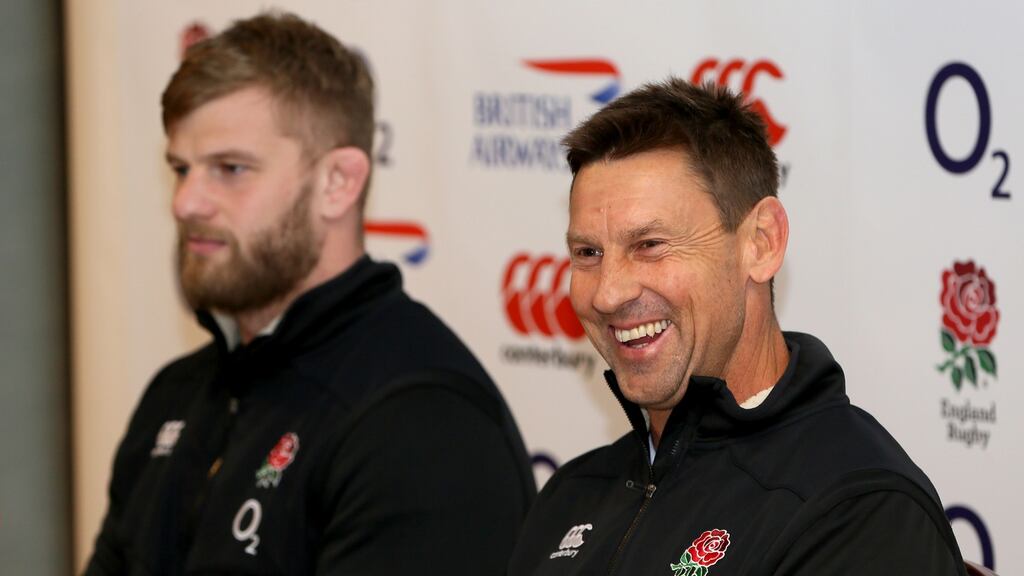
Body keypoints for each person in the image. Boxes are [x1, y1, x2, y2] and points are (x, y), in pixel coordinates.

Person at [84, 12, 535, 575]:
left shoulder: (422, 422)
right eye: (180, 168)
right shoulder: (177, 394)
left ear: (338, 183)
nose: (186, 202)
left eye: (230, 168)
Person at [507, 79, 966, 575]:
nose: (608, 293)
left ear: (761, 243)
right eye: (588, 253)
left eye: (650, 245)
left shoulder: (859, 511)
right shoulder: (572, 494)